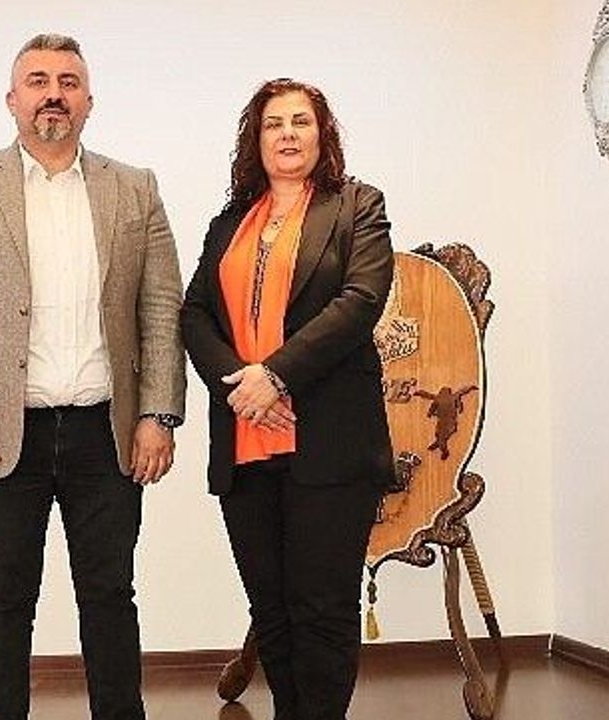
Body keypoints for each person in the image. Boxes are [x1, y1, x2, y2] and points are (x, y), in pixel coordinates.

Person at [0, 33, 185, 720]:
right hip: (1, 437)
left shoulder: (135, 188)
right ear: (12, 100)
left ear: (89, 100)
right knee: (4, 598)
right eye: (37, 81)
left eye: (68, 81)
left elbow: (161, 308)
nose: (53, 94)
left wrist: (158, 414)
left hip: (107, 431)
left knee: (110, 595)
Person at [180, 78, 395, 720]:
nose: (288, 134)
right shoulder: (228, 223)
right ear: (256, 139)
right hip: (245, 442)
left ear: (323, 134)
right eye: (274, 124)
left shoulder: (357, 206)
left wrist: (273, 376)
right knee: (270, 609)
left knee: (321, 608)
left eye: (301, 121)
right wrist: (243, 386)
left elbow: (359, 302)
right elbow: (195, 315)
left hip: (329, 441)